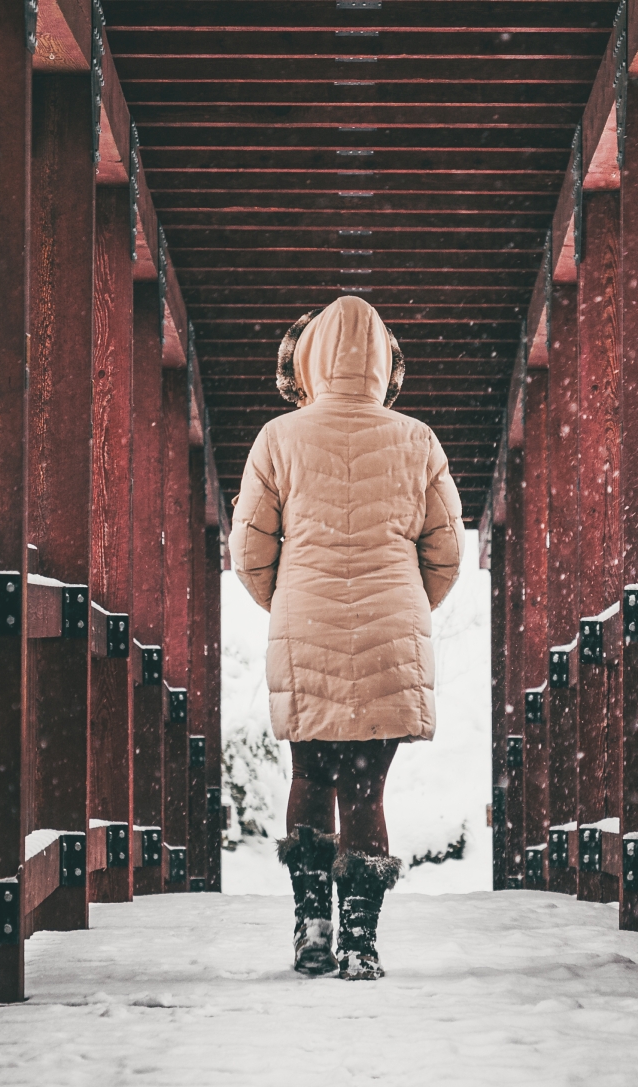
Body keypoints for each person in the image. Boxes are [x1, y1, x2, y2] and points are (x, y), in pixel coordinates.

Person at [230, 295, 462, 981]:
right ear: (386, 363)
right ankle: (362, 941)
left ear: (310, 358)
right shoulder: (417, 439)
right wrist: (408, 603)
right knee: (367, 791)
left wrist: (291, 601)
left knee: (310, 774)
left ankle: (312, 929)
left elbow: (249, 552)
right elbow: (445, 555)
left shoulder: (279, 438)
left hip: (305, 624)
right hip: (393, 631)